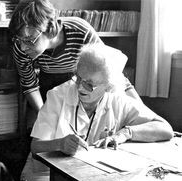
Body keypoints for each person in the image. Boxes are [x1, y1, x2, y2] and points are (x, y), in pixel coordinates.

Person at [20, 44, 174, 181]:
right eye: (77, 77)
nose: (80, 87)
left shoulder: (117, 99)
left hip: (89, 178)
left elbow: (164, 128)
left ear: (108, 86)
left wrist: (125, 133)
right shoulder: (58, 95)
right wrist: (59, 144)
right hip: (45, 174)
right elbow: (35, 147)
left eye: (89, 84)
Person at [9, 0, 142, 113]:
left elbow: (108, 68)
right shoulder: (21, 45)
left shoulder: (80, 30)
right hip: (48, 82)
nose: (22, 47)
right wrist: (44, 116)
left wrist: (139, 108)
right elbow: (30, 85)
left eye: (28, 39)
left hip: (80, 79)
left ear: (48, 28)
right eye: (19, 40)